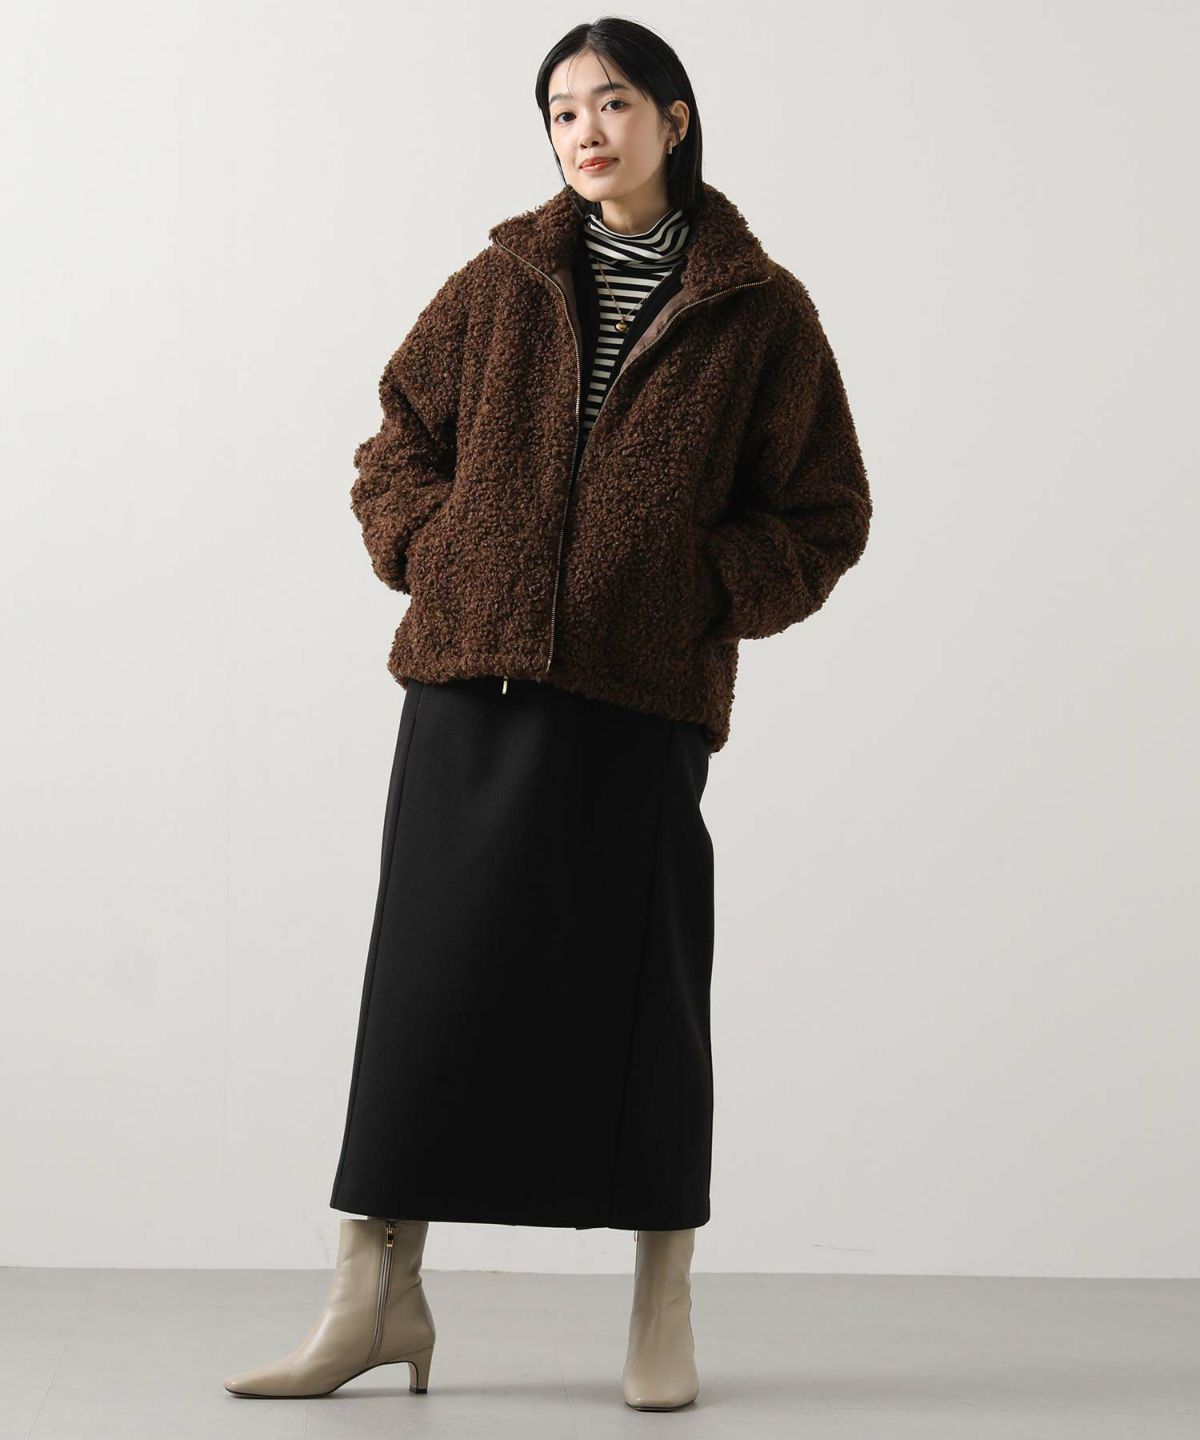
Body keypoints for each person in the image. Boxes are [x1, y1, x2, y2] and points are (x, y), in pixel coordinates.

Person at [223, 15, 871, 1413]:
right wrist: (441, 552)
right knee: (425, 991)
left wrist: (696, 590)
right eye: (564, 110)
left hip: (641, 694)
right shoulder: (498, 283)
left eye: (614, 103)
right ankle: (371, 1297)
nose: (586, 130)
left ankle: (661, 1303)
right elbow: (397, 445)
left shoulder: (762, 312)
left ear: (674, 120)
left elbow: (825, 512)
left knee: (644, 1000)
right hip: (470, 677)